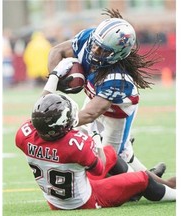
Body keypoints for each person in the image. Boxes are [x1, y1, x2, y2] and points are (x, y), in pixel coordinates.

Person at [46, 8, 165, 174]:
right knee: (78, 138)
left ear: (118, 53)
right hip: (96, 95)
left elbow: (90, 114)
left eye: (103, 50)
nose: (94, 51)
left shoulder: (117, 77)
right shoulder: (89, 39)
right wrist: (56, 77)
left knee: (109, 164)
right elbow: (56, 51)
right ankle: (149, 177)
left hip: (117, 111)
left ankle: (154, 185)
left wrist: (57, 124)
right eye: (96, 45)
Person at [15, 92, 176, 210]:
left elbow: (42, 119)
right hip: (84, 201)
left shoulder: (23, 135)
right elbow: (99, 170)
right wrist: (95, 138)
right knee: (142, 178)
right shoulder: (75, 144)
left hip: (56, 198)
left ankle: (132, 191)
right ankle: (173, 193)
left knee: (110, 152)